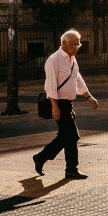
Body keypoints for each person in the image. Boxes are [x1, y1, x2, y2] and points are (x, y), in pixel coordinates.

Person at [33, 29, 98, 180]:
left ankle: (41, 158)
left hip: (67, 103)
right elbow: (50, 85)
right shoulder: (54, 60)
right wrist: (55, 106)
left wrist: (88, 96)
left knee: (66, 136)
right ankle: (71, 168)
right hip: (58, 103)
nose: (76, 47)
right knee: (72, 136)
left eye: (78, 44)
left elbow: (78, 79)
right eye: (73, 44)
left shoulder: (72, 59)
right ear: (64, 43)